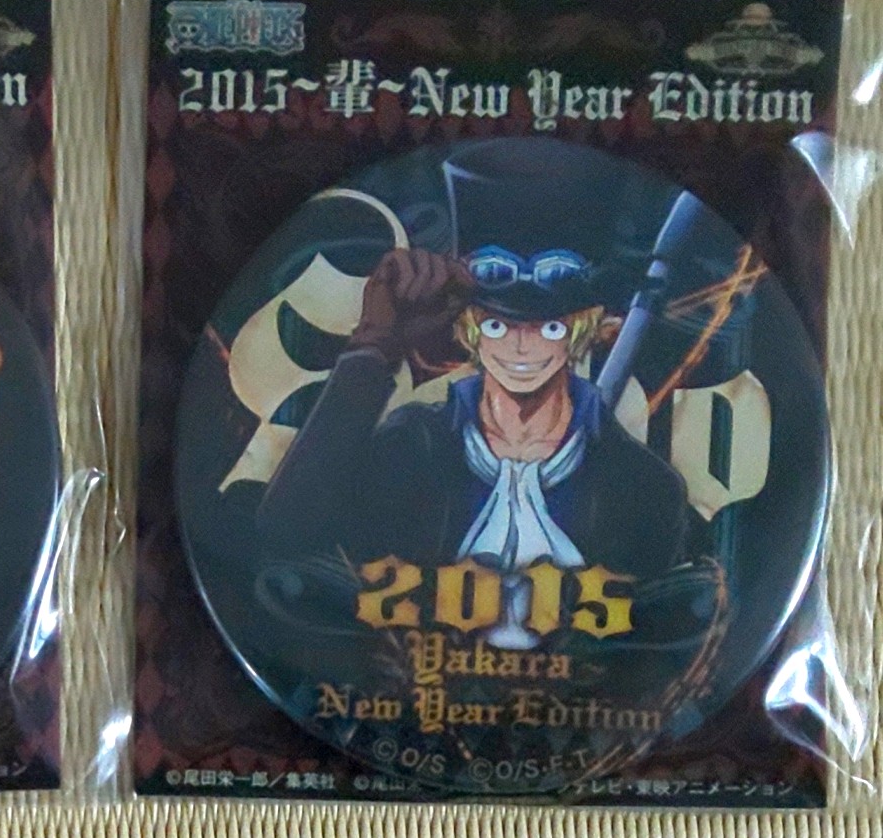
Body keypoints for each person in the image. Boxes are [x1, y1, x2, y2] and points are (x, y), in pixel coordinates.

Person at [257, 153, 691, 650]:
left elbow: (648, 649)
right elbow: (287, 534)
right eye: (497, 324)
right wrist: (375, 347)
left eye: (550, 327)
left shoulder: (643, 487)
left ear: (582, 331)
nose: (521, 348)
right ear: (469, 327)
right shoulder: (410, 450)